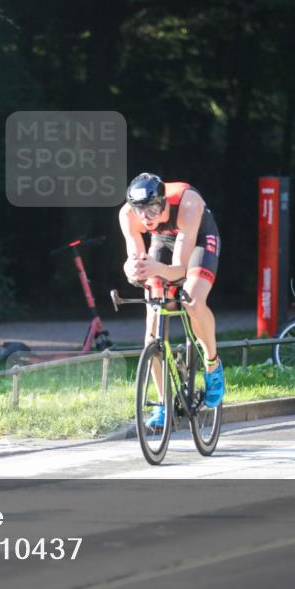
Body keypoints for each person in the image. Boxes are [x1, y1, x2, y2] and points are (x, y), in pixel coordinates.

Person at [118, 172, 225, 427]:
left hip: (198, 240)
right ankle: (163, 403)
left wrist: (156, 269)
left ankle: (212, 364)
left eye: (153, 208)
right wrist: (132, 269)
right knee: (151, 336)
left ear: (164, 201)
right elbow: (137, 260)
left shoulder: (189, 204)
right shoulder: (127, 215)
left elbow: (179, 268)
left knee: (193, 300)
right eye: (140, 210)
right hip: (163, 243)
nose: (146, 217)